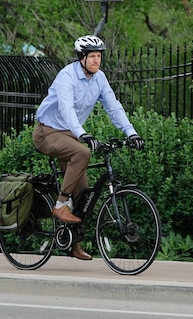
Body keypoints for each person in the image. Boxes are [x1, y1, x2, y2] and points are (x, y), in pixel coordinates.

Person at [32, 35, 145, 261]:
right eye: (92, 56)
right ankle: (61, 204)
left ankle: (73, 244)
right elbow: (66, 109)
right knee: (83, 152)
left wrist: (131, 132)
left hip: (70, 135)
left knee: (84, 195)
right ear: (82, 58)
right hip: (48, 131)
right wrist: (82, 134)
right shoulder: (67, 77)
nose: (96, 61)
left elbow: (114, 107)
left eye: (99, 56)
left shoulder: (100, 79)